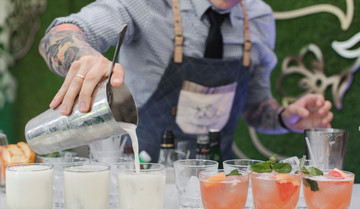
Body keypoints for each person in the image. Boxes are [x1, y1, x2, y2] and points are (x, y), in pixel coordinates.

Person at [39, 0, 333, 161]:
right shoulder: (147, 5)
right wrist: (82, 57)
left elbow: (255, 106)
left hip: (214, 181)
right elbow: (60, 34)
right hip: (139, 172)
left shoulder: (259, 17)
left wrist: (286, 118)